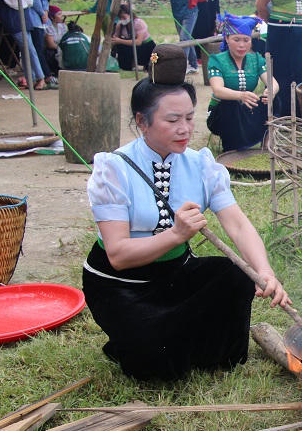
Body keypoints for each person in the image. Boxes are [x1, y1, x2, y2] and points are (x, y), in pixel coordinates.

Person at [83, 44, 290, 381]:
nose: (185, 128)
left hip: (174, 274)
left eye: (190, 118)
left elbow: (237, 225)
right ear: (142, 121)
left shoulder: (201, 165)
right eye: (172, 120)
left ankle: (180, 338)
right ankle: (145, 338)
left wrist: (265, 272)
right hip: (122, 284)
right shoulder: (114, 169)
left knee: (237, 275)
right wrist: (176, 234)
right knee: (157, 362)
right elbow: (118, 255)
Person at [206, 13, 279, 152]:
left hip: (246, 110)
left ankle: (267, 142)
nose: (241, 45)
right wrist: (240, 96)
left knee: (274, 100)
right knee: (230, 104)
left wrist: (271, 91)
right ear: (227, 38)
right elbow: (218, 90)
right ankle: (231, 149)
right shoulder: (217, 60)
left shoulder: (256, 59)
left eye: (246, 40)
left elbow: (273, 83)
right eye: (236, 39)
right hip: (222, 113)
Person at [17, 0, 56, 88]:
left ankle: (40, 76)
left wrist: (45, 10)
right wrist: (42, 12)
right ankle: (44, 76)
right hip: (33, 18)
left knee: (37, 49)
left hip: (39, 17)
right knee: (36, 50)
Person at [160, 0, 198, 74]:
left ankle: (181, 66)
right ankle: (194, 65)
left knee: (184, 38)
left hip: (190, 10)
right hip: (177, 11)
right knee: (187, 38)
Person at [110, 3, 156, 71]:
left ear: (129, 14)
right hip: (132, 48)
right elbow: (115, 39)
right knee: (121, 47)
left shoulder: (139, 23)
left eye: (124, 17)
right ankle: (126, 67)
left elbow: (138, 42)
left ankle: (149, 65)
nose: (122, 19)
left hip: (146, 47)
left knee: (155, 58)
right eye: (120, 18)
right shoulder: (120, 26)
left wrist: (120, 41)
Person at [44, 4, 66, 74]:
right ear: (52, 17)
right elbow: (50, 44)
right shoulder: (48, 27)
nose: (61, 16)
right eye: (59, 14)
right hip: (53, 49)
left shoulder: (62, 26)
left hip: (61, 46)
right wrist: (61, 48)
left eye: (61, 14)